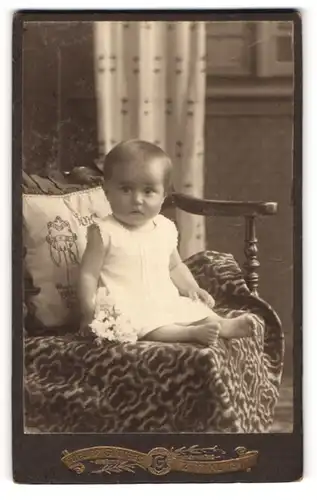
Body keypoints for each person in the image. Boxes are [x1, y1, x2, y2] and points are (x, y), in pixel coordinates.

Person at [78, 139, 255, 345]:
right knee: (144, 324)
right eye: (126, 189)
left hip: (163, 299)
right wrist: (88, 312)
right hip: (125, 304)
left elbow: (175, 266)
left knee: (191, 308)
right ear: (107, 191)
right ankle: (190, 334)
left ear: (163, 196)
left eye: (148, 191)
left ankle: (221, 324)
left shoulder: (165, 228)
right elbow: (88, 274)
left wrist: (192, 288)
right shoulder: (104, 231)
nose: (137, 199)